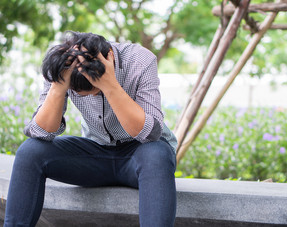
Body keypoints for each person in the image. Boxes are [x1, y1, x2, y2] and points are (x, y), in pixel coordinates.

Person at [4, 31, 177, 227]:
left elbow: (151, 133)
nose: (91, 98)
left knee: (158, 153)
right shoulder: (61, 63)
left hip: (142, 156)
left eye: (94, 91)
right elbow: (41, 132)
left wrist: (109, 86)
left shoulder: (140, 60)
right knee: (30, 151)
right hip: (95, 156)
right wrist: (59, 87)